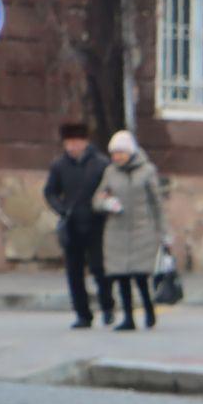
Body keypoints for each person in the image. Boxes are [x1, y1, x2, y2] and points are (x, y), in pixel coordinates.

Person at [92, 131, 165, 331]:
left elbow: (156, 203)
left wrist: (162, 231)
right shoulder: (110, 172)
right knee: (121, 277)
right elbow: (97, 199)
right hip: (117, 231)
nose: (117, 157)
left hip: (141, 230)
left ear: (130, 152)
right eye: (114, 153)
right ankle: (128, 318)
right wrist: (106, 203)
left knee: (140, 276)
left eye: (121, 153)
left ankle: (149, 309)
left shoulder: (147, 171)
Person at [44, 123, 113, 328]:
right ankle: (83, 314)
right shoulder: (59, 165)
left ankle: (107, 307)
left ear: (85, 142)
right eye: (68, 143)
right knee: (74, 272)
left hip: (96, 223)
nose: (72, 146)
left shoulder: (100, 163)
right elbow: (50, 192)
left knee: (99, 269)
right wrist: (61, 209)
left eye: (75, 142)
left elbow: (110, 189)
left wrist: (103, 205)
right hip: (71, 224)